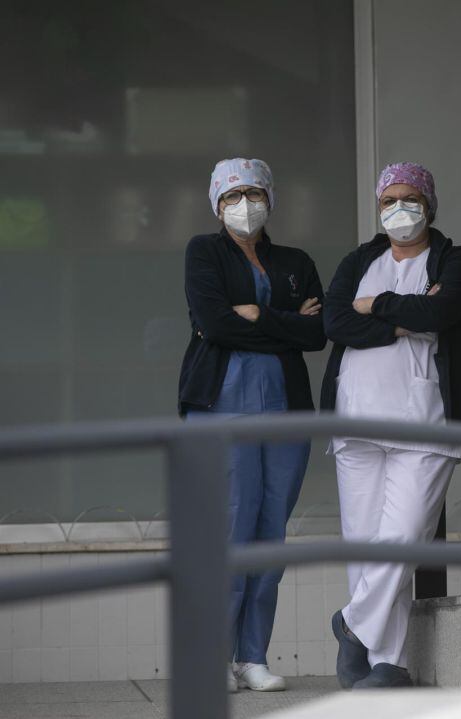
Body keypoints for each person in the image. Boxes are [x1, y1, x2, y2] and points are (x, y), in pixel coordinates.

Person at [321, 162, 461, 689]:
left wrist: (375, 308)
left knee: (404, 535)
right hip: (356, 416)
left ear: (429, 204)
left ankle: (351, 623)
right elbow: (335, 321)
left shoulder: (453, 260)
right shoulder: (360, 259)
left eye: (409, 198)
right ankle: (386, 664)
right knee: (366, 543)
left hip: (425, 421)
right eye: (388, 200)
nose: (399, 209)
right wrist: (402, 318)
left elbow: (446, 312)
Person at [178, 158, 326, 692]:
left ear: (270, 197)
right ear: (217, 204)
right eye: (233, 195)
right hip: (220, 405)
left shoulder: (294, 260)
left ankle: (252, 656)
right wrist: (285, 324)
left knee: (270, 534)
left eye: (254, 192)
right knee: (229, 529)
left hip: (285, 407)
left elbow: (317, 334)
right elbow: (212, 322)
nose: (245, 204)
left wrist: (259, 316)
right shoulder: (204, 252)